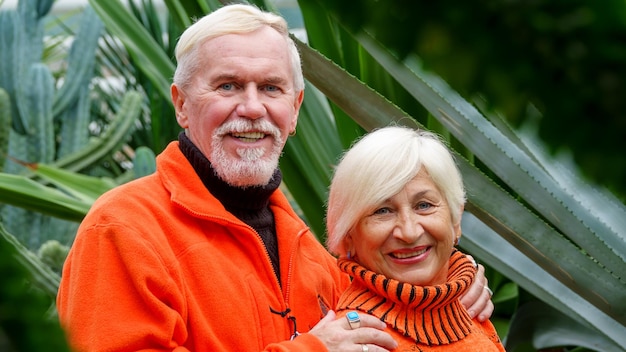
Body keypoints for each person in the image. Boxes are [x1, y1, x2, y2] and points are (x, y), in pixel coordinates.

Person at [56, 4, 492, 352]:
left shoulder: (313, 257)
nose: (251, 107)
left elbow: (395, 294)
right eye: (227, 86)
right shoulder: (122, 230)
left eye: (271, 88)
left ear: (296, 109)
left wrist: (458, 279)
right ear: (182, 104)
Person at [326, 126, 505, 351]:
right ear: (348, 235)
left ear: (456, 219)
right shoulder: (358, 342)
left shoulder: (467, 305)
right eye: (383, 210)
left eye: (424, 205)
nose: (409, 233)